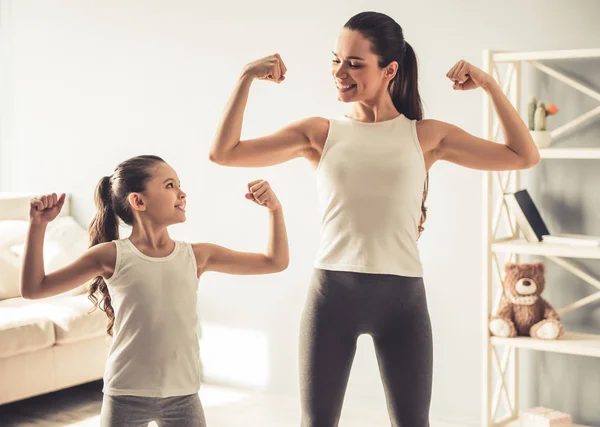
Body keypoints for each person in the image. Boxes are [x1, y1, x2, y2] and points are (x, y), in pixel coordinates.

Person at [209, 11, 539, 427]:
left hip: (402, 303)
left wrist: (489, 85)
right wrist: (245, 77)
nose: (339, 72)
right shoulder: (319, 133)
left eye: (354, 63)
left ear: (390, 70)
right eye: (336, 60)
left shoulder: (426, 136)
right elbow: (224, 152)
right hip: (331, 297)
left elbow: (523, 156)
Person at [20, 154, 289, 427]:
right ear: (138, 201)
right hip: (125, 394)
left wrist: (274, 210)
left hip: (183, 396)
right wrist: (38, 226)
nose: (182, 193)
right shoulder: (111, 255)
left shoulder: (198, 255)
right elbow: (34, 288)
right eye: (170, 185)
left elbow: (274, 261)